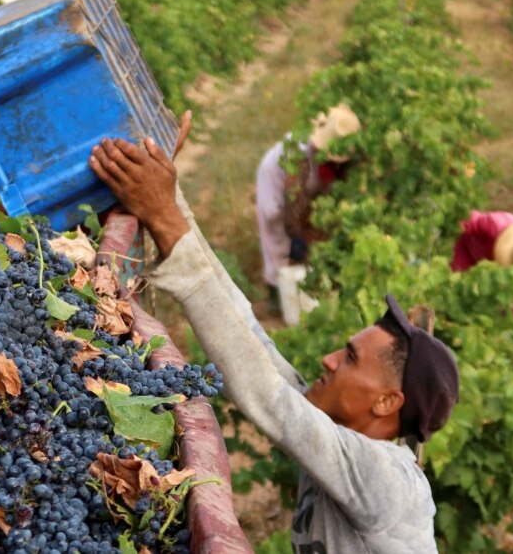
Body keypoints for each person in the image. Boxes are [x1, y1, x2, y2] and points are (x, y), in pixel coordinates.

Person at [89, 112, 459, 553]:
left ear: (386, 402)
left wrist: (166, 215)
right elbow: (250, 336)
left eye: (351, 359)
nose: (329, 360)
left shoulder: (386, 479)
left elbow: (265, 394)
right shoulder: (337, 432)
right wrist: (171, 203)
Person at [256, 104, 361, 311]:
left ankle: (291, 286)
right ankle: (276, 293)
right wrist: (305, 236)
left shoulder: (326, 154)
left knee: (301, 238)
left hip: (298, 185)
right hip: (274, 179)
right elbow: (293, 209)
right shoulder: (300, 155)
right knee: (275, 231)